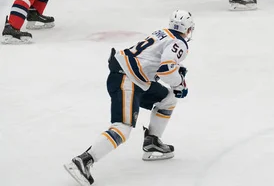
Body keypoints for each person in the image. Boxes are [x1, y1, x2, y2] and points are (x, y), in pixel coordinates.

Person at [64, 10, 194, 186]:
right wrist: (180, 84)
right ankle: (83, 161)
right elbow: (166, 70)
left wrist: (175, 80)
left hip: (134, 78)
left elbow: (154, 63)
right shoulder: (179, 42)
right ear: (187, 29)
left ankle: (152, 141)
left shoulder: (162, 32)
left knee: (168, 99)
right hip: (128, 79)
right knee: (123, 128)